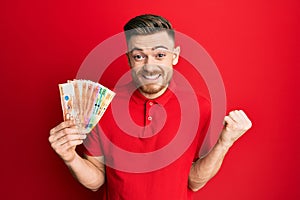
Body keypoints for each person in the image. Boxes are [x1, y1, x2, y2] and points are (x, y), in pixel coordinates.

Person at [49, 14, 252, 200]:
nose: (150, 66)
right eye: (139, 56)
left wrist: (224, 143)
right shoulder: (102, 105)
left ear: (175, 55)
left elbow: (195, 182)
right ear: (129, 58)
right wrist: (70, 158)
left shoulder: (200, 107)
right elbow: (96, 182)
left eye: (160, 55)